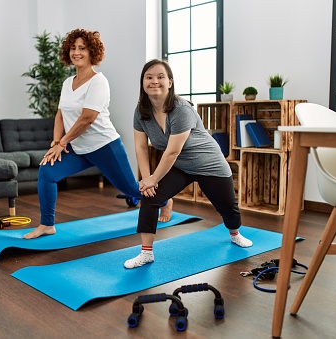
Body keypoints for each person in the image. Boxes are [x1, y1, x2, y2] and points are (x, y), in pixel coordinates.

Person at [23, 29, 173, 240]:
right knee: (47, 172)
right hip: (79, 148)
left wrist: (63, 142)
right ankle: (47, 224)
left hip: (105, 146)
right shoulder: (68, 83)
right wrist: (56, 142)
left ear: (92, 52)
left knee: (131, 189)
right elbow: (60, 114)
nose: (77, 52)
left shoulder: (98, 82)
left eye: (82, 48)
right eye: (73, 48)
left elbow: (88, 118)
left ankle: (165, 201)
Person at [124, 59, 253, 268]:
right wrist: (148, 180)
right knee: (150, 196)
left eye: (160, 77)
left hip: (209, 164)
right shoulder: (141, 112)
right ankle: (146, 252)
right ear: (143, 83)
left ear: (170, 82)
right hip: (181, 167)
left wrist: (153, 178)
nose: (154, 81)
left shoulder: (181, 109)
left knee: (228, 208)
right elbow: (140, 147)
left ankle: (235, 232)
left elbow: (172, 151)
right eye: (149, 77)